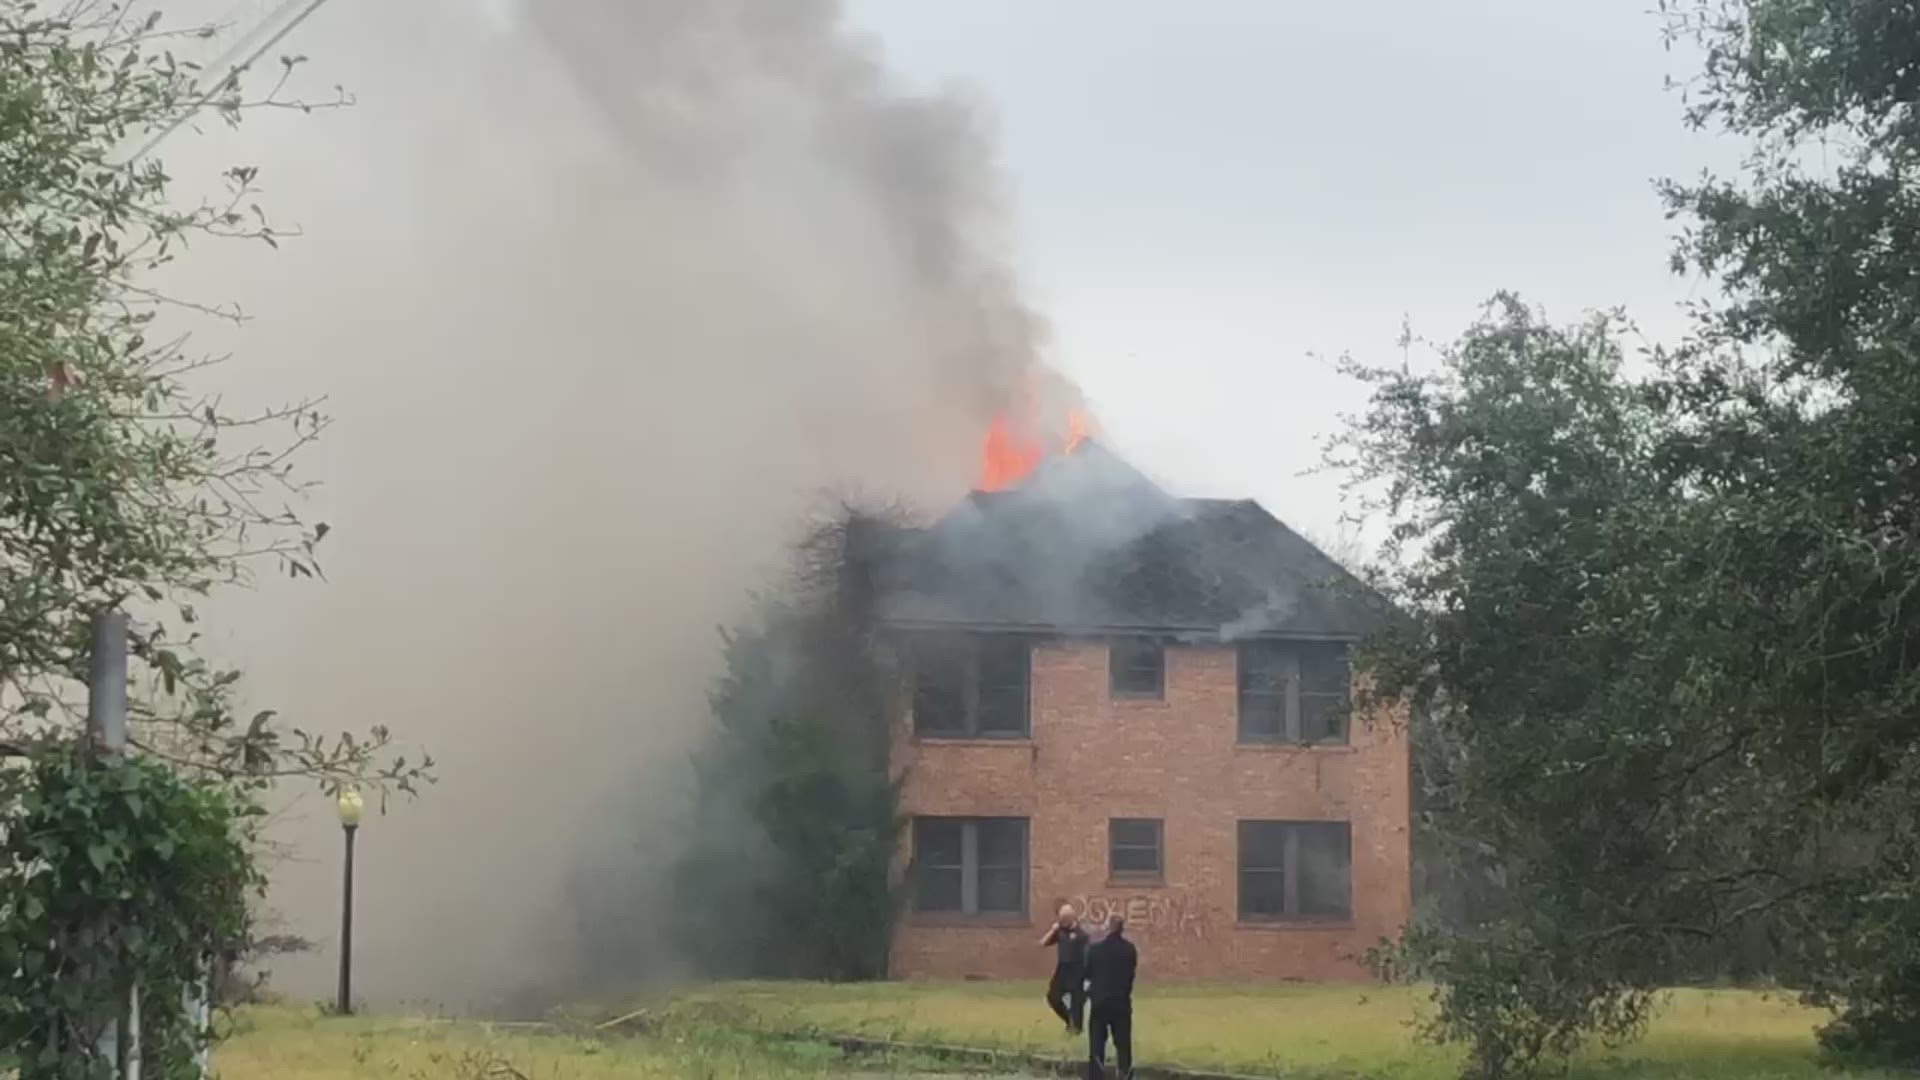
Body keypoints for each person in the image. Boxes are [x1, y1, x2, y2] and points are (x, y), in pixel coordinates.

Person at [1083, 913, 1137, 1079]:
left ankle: (1097, 1072)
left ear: (1108, 927)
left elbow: (1087, 974)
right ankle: (1124, 1072)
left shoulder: (1095, 949)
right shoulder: (1129, 950)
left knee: (1097, 1040)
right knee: (1122, 1041)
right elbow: (1131, 974)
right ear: (1122, 929)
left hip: (1100, 1001)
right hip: (1120, 1001)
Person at [1039, 902, 1089, 1034]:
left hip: (1077, 971)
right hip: (1062, 970)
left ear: (1072, 918)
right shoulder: (1059, 931)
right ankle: (1068, 1021)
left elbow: (1087, 956)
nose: (1063, 923)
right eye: (1061, 920)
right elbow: (1043, 943)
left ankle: (1076, 1028)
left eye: (1065, 920)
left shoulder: (1081, 935)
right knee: (1053, 997)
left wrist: (1087, 978)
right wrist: (1053, 929)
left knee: (1076, 1003)